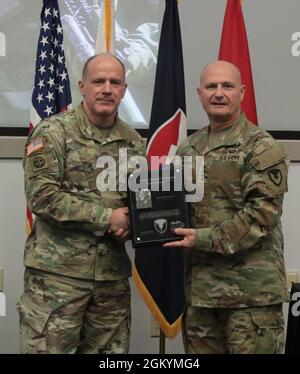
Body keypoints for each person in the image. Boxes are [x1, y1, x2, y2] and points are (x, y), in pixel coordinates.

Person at [17, 54, 145, 354]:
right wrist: (107, 218)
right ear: (82, 86)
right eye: (98, 81)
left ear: (124, 89)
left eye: (115, 82)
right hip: (57, 281)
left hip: (111, 284)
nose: (106, 89)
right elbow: (42, 196)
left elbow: (136, 204)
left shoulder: (134, 142)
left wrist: (137, 225)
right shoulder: (53, 133)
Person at [164, 60, 289, 354]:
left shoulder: (261, 146)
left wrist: (203, 239)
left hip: (250, 298)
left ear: (242, 92)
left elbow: (262, 215)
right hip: (201, 296)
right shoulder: (188, 149)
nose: (218, 93)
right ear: (199, 93)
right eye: (211, 86)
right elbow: (175, 207)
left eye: (227, 86)